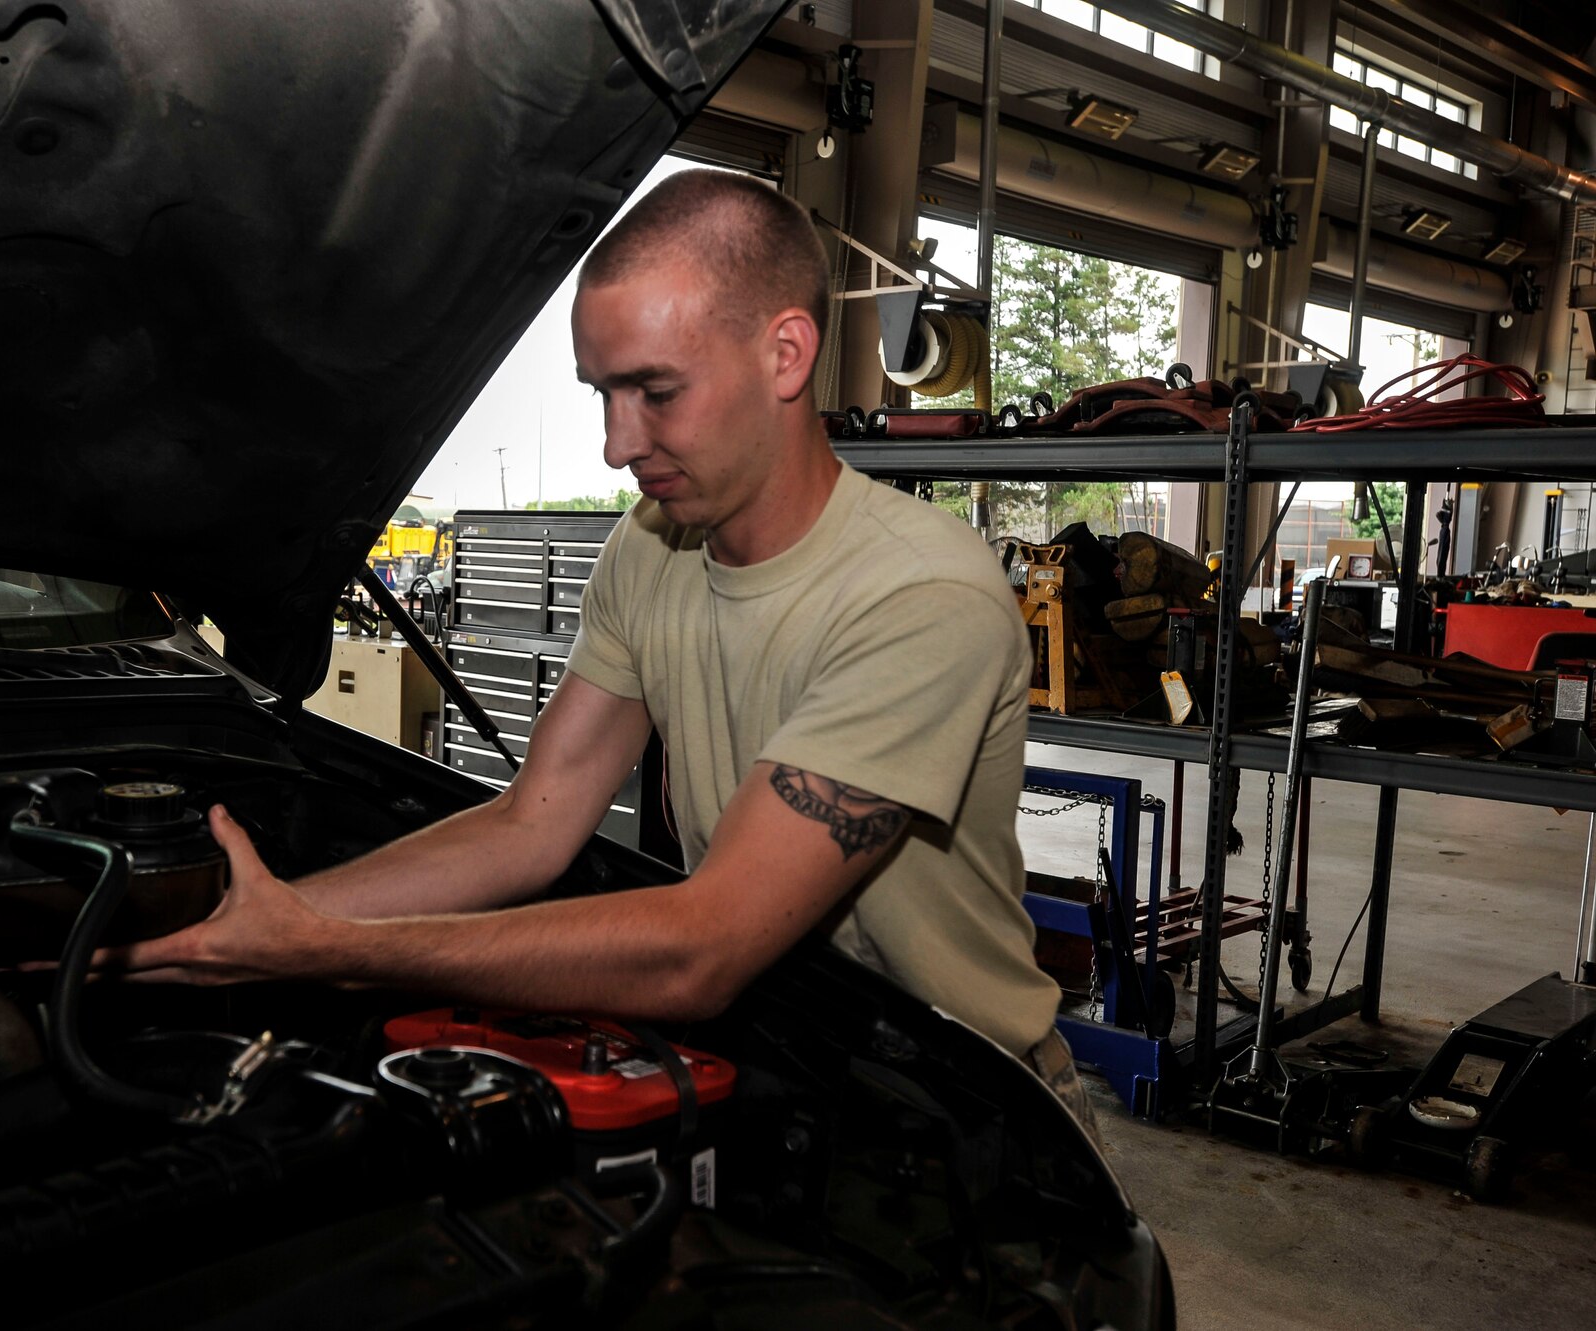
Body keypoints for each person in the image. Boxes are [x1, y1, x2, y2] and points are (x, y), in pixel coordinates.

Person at [106, 170, 1094, 1137]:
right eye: (603, 393)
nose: (618, 443)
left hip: (975, 1117)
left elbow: (698, 949)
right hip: (790, 1067)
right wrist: (260, 920)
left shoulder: (918, 594)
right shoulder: (650, 543)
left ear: (785, 354)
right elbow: (530, 821)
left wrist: (330, 951)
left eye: (655, 391)